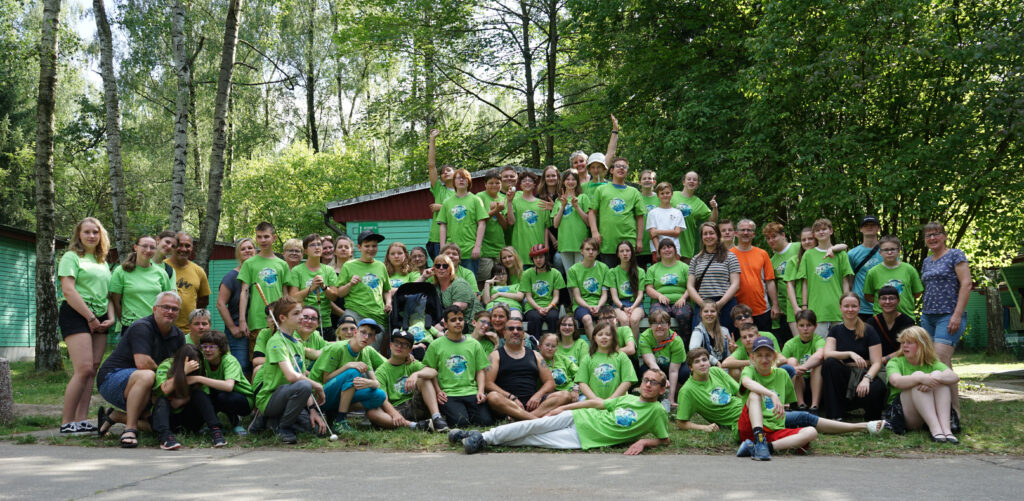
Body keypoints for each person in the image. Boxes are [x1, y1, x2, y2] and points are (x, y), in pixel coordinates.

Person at [451, 368, 669, 455]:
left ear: (662, 388)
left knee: (533, 438)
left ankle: (478, 438)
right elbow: (596, 404)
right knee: (534, 425)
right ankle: (482, 437)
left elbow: (664, 440)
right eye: (646, 380)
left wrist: (643, 442)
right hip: (577, 416)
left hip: (583, 437)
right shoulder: (627, 397)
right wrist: (564, 407)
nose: (649, 385)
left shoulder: (656, 411)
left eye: (654, 383)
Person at [96, 291, 186, 447]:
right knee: (147, 375)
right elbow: (142, 363)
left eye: (175, 309)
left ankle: (116, 416)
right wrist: (164, 378)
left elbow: (177, 366)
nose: (170, 312)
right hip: (112, 379)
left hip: (147, 387)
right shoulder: (142, 327)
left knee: (161, 425)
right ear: (154, 309)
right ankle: (130, 429)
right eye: (165, 307)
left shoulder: (178, 335)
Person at [58, 217, 114, 435]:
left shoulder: (102, 262)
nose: (92, 236)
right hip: (76, 314)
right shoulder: (71, 257)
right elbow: (68, 290)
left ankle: (81, 420)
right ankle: (66, 422)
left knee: (93, 368)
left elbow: (108, 295)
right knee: (83, 369)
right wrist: (90, 318)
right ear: (78, 235)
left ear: (101, 236)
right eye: (87, 232)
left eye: (95, 232)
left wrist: (110, 317)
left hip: (100, 317)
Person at [252, 297, 328, 444]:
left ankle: (271, 422)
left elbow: (300, 375)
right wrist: (317, 385)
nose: (302, 317)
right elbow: (293, 376)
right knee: (305, 385)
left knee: (318, 430)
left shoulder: (297, 344)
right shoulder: (276, 342)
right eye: (296, 314)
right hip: (271, 399)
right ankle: (283, 428)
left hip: (291, 397)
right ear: (282, 318)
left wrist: (312, 410)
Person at [919, 221, 971, 416]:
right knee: (931, 362)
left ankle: (953, 411)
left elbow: (966, 284)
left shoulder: (955, 255)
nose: (932, 238)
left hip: (949, 315)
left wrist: (957, 315)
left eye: (936, 234)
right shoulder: (926, 261)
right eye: (928, 235)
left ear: (945, 236)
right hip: (928, 316)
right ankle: (937, 408)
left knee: (942, 361)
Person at [309, 318, 391, 431]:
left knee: (379, 395)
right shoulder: (336, 348)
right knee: (353, 372)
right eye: (363, 332)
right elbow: (326, 379)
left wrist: (371, 383)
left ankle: (335, 413)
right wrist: (347, 366)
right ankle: (340, 421)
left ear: (373, 339)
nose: (366, 337)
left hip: (338, 397)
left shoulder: (365, 351)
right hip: (318, 396)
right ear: (355, 332)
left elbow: (376, 382)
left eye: (370, 335)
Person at [485, 318, 571, 421]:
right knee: (493, 397)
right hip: (508, 403)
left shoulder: (535, 354)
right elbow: (488, 384)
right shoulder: (495, 355)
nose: (515, 331)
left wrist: (538, 396)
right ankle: (535, 420)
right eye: (511, 329)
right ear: (504, 333)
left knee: (565, 395)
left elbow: (550, 382)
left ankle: (522, 418)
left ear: (523, 333)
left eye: (519, 329)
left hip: (533, 404)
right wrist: (511, 397)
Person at [885, 326, 960, 443]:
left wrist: (935, 377)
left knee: (940, 378)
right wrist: (920, 378)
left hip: (930, 412)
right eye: (903, 342)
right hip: (905, 414)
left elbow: (954, 377)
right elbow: (896, 381)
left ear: (922, 345)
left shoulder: (932, 362)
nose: (904, 345)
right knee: (918, 376)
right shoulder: (895, 362)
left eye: (909, 343)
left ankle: (946, 430)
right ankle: (935, 430)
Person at [423, 306, 494, 427]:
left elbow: (480, 370)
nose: (458, 322)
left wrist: (481, 391)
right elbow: (431, 370)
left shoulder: (474, 344)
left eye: (460, 319)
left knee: (486, 422)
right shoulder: (435, 345)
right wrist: (438, 391)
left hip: (471, 391)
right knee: (461, 422)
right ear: (445, 324)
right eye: (453, 320)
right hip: (449, 393)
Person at [822, 293, 888, 421]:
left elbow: (876, 362)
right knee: (830, 363)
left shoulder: (869, 330)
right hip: (845, 374)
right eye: (846, 306)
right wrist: (850, 353)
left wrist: (867, 379)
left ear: (859, 308)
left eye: (854, 306)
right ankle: (836, 415)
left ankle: (871, 419)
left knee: (876, 388)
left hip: (866, 372)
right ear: (840, 307)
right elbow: (827, 354)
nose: (850, 309)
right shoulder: (835, 330)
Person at [150, 344, 227, 450]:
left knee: (199, 395)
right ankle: (165, 437)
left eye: (196, 364)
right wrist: (183, 371)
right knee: (162, 401)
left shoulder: (200, 367)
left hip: (189, 418)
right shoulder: (167, 365)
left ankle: (216, 431)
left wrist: (184, 399)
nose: (194, 368)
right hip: (168, 418)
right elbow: (165, 389)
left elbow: (204, 396)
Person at [374, 329, 450, 432]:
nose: (400, 347)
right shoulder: (381, 371)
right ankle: (416, 426)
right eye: (397, 343)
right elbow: (384, 399)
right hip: (397, 409)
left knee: (423, 378)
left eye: (405, 345)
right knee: (372, 412)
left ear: (410, 350)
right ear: (391, 345)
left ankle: (437, 419)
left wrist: (416, 374)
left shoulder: (412, 364)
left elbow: (433, 372)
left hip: (416, 404)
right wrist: (394, 414)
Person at [238, 222, 291, 354]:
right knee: (258, 359)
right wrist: (242, 320)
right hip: (256, 320)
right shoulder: (249, 263)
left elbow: (285, 294)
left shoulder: (282, 264)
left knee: (280, 357)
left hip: (279, 319)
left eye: (266, 236)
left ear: (274, 238)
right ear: (256, 239)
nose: (263, 240)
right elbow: (244, 293)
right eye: (259, 237)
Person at [797, 218, 853, 336]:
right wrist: (804, 306)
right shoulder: (808, 255)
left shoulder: (841, 254)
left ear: (831, 231)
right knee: (820, 348)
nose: (821, 232)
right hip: (817, 310)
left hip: (837, 308)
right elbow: (805, 283)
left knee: (840, 346)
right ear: (814, 234)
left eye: (824, 229)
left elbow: (845, 282)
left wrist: (846, 304)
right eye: (817, 230)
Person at [109, 235, 175, 331]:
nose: (148, 250)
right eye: (144, 246)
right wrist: (124, 322)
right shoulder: (121, 271)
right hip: (131, 326)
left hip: (155, 326)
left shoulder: (161, 273)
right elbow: (116, 302)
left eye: (152, 247)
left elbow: (167, 301)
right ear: (136, 247)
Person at [589, 156, 645, 267]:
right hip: (607, 242)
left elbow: (640, 217)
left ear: (627, 171)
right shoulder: (601, 189)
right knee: (609, 277)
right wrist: (595, 232)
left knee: (628, 277)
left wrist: (639, 240)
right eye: (618, 166)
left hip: (628, 243)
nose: (621, 169)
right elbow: (592, 212)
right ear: (611, 170)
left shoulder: (634, 192)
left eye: (624, 167)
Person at [336, 229, 392, 341]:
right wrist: (350, 284)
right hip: (354, 312)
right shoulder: (349, 266)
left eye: (374, 246)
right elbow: (340, 293)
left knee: (370, 352)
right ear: (359, 247)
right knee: (348, 348)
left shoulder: (381, 266)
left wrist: (389, 302)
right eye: (367, 246)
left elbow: (387, 290)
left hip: (377, 316)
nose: (371, 249)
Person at [686, 222, 741, 332]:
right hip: (702, 304)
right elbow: (690, 286)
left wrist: (720, 304)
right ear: (701, 237)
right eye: (705, 234)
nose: (708, 236)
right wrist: (703, 305)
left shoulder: (730, 256)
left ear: (718, 236)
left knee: (727, 338)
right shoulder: (696, 259)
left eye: (711, 233)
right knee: (700, 339)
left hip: (725, 304)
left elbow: (735, 284)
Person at [197, 330, 253, 436]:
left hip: (243, 400)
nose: (207, 350)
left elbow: (228, 386)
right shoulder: (203, 361)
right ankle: (214, 426)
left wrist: (199, 378)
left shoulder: (229, 360)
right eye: (204, 346)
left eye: (212, 347)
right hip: (220, 394)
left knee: (223, 396)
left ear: (221, 349)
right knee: (203, 395)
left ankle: (236, 424)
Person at [731, 219, 779, 333]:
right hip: (738, 311)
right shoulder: (729, 255)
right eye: (742, 230)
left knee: (763, 343)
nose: (746, 233)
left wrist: (775, 305)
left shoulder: (762, 254)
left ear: (754, 234)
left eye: (749, 230)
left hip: (761, 309)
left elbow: (770, 281)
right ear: (736, 233)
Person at [216, 237, 257, 371]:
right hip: (239, 330)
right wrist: (233, 327)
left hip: (258, 328)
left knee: (256, 365)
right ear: (238, 253)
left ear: (255, 251)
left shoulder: (259, 274)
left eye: (250, 248)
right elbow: (220, 304)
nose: (247, 251)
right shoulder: (231, 277)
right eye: (243, 249)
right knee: (241, 366)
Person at [440, 168, 488, 275]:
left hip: (470, 251)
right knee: (449, 280)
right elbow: (443, 225)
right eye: (458, 178)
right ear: (454, 182)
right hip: (451, 253)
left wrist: (477, 246)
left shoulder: (476, 200)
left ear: (469, 182)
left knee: (470, 283)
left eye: (464, 178)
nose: (461, 180)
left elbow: (482, 223)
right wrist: (443, 248)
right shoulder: (447, 202)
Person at [637, 310, 688, 409]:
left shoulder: (676, 340)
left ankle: (672, 395)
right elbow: (650, 361)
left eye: (663, 323)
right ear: (650, 325)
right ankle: (653, 395)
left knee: (685, 373)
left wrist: (671, 398)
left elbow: (673, 371)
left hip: (673, 368)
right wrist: (662, 376)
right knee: (644, 371)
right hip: (656, 366)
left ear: (669, 325)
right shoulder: (645, 337)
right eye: (655, 323)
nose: (659, 326)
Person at [864, 235, 924, 318]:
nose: (889, 252)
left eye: (893, 249)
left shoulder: (909, 269)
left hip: (906, 316)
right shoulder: (872, 272)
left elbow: (917, 293)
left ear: (899, 250)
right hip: (881, 318)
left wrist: (904, 300)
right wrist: (887, 304)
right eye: (885, 250)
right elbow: (868, 296)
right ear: (880, 252)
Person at [575, 321, 637, 400]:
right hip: (593, 403)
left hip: (617, 402)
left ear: (613, 337)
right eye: (600, 334)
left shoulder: (621, 356)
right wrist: (595, 399)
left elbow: (627, 380)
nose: (604, 337)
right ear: (594, 337)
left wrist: (611, 399)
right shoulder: (587, 358)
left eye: (608, 334)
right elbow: (582, 383)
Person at [286, 233, 338, 326]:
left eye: (319, 244)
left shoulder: (329, 270)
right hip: (303, 321)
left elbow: (334, 297)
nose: (317, 247)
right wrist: (311, 288)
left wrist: (324, 287)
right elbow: (293, 298)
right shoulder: (297, 270)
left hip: (324, 321)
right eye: (312, 245)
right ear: (305, 251)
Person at [164, 231, 210, 333]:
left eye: (187, 246)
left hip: (189, 332)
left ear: (192, 248)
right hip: (163, 329)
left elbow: (204, 301)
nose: (184, 249)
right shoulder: (161, 268)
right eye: (180, 245)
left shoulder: (198, 271)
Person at [645, 238, 691, 338]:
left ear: (675, 250)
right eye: (664, 248)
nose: (667, 250)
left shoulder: (684, 267)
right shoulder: (653, 269)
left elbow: (690, 286)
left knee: (684, 314)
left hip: (680, 302)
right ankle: (660, 345)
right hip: (660, 303)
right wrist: (659, 296)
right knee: (657, 316)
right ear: (659, 252)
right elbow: (648, 288)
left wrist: (683, 298)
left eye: (670, 247)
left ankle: (684, 346)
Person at [763, 222, 800, 346]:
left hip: (805, 301)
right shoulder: (771, 261)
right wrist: (776, 305)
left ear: (783, 235)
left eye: (774, 236)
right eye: (768, 238)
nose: (771, 240)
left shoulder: (798, 247)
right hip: (785, 309)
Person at [782, 309, 826, 412]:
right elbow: (783, 366)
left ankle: (814, 406)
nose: (805, 329)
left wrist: (802, 368)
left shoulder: (819, 340)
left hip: (816, 381)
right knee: (791, 361)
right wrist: (795, 370)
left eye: (809, 325)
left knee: (818, 365)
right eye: (802, 325)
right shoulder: (790, 343)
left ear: (815, 326)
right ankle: (800, 404)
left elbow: (820, 355)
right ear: (797, 326)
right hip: (798, 382)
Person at [671, 171, 718, 263]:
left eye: (694, 180)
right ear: (684, 182)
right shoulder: (672, 195)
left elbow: (712, 221)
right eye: (689, 179)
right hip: (668, 244)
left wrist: (714, 208)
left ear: (697, 184)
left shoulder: (698, 203)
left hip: (686, 247)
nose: (691, 181)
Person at [521, 244, 566, 339]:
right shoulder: (527, 274)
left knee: (553, 317)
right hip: (533, 307)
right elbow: (528, 297)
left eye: (541, 257)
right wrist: (538, 308)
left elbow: (556, 297)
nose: (538, 260)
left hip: (550, 305)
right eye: (535, 257)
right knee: (535, 318)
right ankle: (534, 346)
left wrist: (549, 307)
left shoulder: (555, 273)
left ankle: (553, 343)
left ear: (546, 257)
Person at [567, 238, 609, 338]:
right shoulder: (573, 270)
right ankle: (595, 348)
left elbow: (604, 294)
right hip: (581, 306)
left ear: (598, 252)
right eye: (587, 249)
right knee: (587, 319)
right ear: (582, 251)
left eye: (594, 249)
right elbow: (577, 297)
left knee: (608, 319)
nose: (590, 252)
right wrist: (589, 307)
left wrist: (598, 306)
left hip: (600, 304)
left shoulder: (604, 268)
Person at [506, 170, 551, 263]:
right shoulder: (514, 202)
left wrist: (546, 246)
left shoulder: (542, 204)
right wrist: (509, 202)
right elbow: (511, 222)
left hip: (538, 250)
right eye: (524, 181)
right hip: (520, 249)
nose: (527, 183)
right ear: (520, 185)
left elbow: (546, 227)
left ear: (534, 185)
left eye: (530, 181)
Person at [721, 321, 792, 380]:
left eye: (751, 336)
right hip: (750, 381)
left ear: (758, 336)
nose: (748, 339)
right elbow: (725, 363)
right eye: (744, 337)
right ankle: (742, 395)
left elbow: (783, 359)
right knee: (734, 370)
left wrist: (771, 364)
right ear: (741, 340)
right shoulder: (742, 349)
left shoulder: (764, 347)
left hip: (768, 376)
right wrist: (751, 362)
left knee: (790, 363)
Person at [552, 168, 592, 270]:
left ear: (577, 182)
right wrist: (562, 206)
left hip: (581, 244)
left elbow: (588, 222)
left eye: (573, 179)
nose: (570, 182)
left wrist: (577, 207)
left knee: (580, 274)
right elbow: (555, 224)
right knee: (570, 275)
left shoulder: (583, 198)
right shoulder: (558, 200)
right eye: (567, 179)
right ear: (563, 182)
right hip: (565, 243)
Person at [475, 170, 510, 284]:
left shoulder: (503, 198)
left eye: (497, 183)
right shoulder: (479, 197)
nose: (494, 185)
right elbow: (479, 221)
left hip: (499, 248)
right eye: (491, 183)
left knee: (500, 280)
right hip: (484, 248)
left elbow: (505, 226)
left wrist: (498, 212)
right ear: (485, 184)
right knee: (484, 279)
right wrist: (495, 210)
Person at [606, 241, 646, 339]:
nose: (625, 253)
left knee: (634, 319)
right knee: (624, 320)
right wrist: (624, 308)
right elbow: (614, 297)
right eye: (622, 251)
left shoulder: (640, 271)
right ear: (618, 254)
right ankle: (626, 349)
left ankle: (634, 350)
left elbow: (640, 295)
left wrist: (632, 307)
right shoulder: (612, 272)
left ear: (631, 253)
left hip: (636, 304)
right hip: (619, 305)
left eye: (628, 251)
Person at [848, 216, 885, 321]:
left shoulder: (888, 251)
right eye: (866, 225)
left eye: (873, 225)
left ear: (878, 228)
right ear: (860, 229)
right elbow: (849, 279)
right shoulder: (852, 254)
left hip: (883, 305)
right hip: (860, 306)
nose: (869, 227)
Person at [426, 129, 456, 259]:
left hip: (457, 239)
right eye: (443, 172)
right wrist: (432, 140)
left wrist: (442, 207)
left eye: (449, 170)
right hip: (437, 239)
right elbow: (431, 166)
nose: (445, 172)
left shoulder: (463, 192)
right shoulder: (439, 189)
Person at [869, 285, 916, 364]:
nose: (887, 302)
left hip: (902, 362)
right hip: (876, 364)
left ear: (898, 300)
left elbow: (906, 348)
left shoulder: (907, 322)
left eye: (891, 298)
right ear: (878, 301)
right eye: (884, 298)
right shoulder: (871, 322)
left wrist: (884, 359)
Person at [689, 299, 734, 366]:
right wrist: (716, 362)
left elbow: (729, 357)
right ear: (701, 313)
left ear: (717, 313)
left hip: (723, 368)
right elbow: (693, 350)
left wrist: (732, 350)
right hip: (706, 368)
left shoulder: (724, 331)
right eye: (706, 311)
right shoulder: (698, 331)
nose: (709, 314)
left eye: (712, 311)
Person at [645, 181, 684, 258]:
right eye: (662, 193)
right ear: (658, 195)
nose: (665, 195)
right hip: (657, 250)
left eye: (667, 193)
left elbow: (677, 232)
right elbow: (653, 234)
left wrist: (658, 231)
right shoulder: (652, 213)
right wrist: (658, 250)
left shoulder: (678, 213)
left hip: (674, 249)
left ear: (672, 194)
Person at [539, 332, 580, 399]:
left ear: (557, 348)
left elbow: (580, 374)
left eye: (553, 346)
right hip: (553, 397)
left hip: (574, 393)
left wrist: (575, 389)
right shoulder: (535, 360)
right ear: (540, 346)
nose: (550, 348)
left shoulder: (562, 359)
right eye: (547, 345)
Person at [636, 170, 659, 268]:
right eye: (644, 178)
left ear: (654, 182)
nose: (647, 180)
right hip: (639, 246)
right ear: (639, 182)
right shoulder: (635, 197)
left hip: (656, 246)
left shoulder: (660, 197)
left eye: (650, 178)